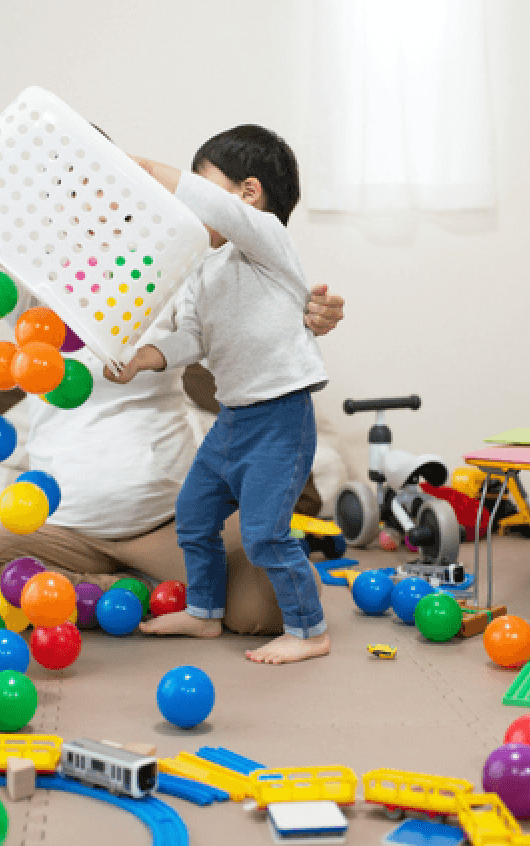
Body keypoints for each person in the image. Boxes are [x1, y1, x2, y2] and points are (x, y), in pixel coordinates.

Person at [0, 200, 343, 638]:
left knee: (264, 605)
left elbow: (244, 317)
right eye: (67, 201)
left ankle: (124, 594)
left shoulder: (173, 274)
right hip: (62, 531)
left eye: (100, 198)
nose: (86, 215)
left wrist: (305, 315)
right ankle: (122, 591)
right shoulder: (34, 286)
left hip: (169, 525)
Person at [107, 125, 330, 665]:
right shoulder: (203, 268)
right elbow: (193, 340)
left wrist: (135, 165)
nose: (191, 208)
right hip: (232, 419)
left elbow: (214, 207)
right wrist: (144, 357)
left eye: (203, 187)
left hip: (281, 418)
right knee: (195, 513)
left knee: (263, 533)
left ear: (248, 193)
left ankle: (310, 631)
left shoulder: (268, 244)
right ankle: (204, 611)